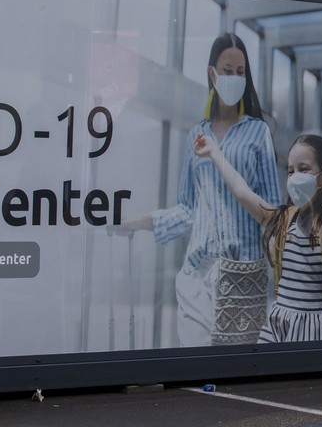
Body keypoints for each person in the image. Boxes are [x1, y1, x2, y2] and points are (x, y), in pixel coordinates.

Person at [194, 75, 322, 342]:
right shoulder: (282, 221)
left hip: (315, 329)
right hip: (279, 323)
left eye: (304, 169)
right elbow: (242, 191)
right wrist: (215, 152)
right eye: (291, 170)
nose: (294, 177)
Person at [120, 33, 280, 347]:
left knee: (235, 375)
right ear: (212, 74)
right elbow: (187, 209)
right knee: (196, 367)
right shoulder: (197, 133)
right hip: (197, 275)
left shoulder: (258, 132)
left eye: (241, 71)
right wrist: (136, 222)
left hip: (243, 277)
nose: (234, 77)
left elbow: (272, 211)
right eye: (228, 69)